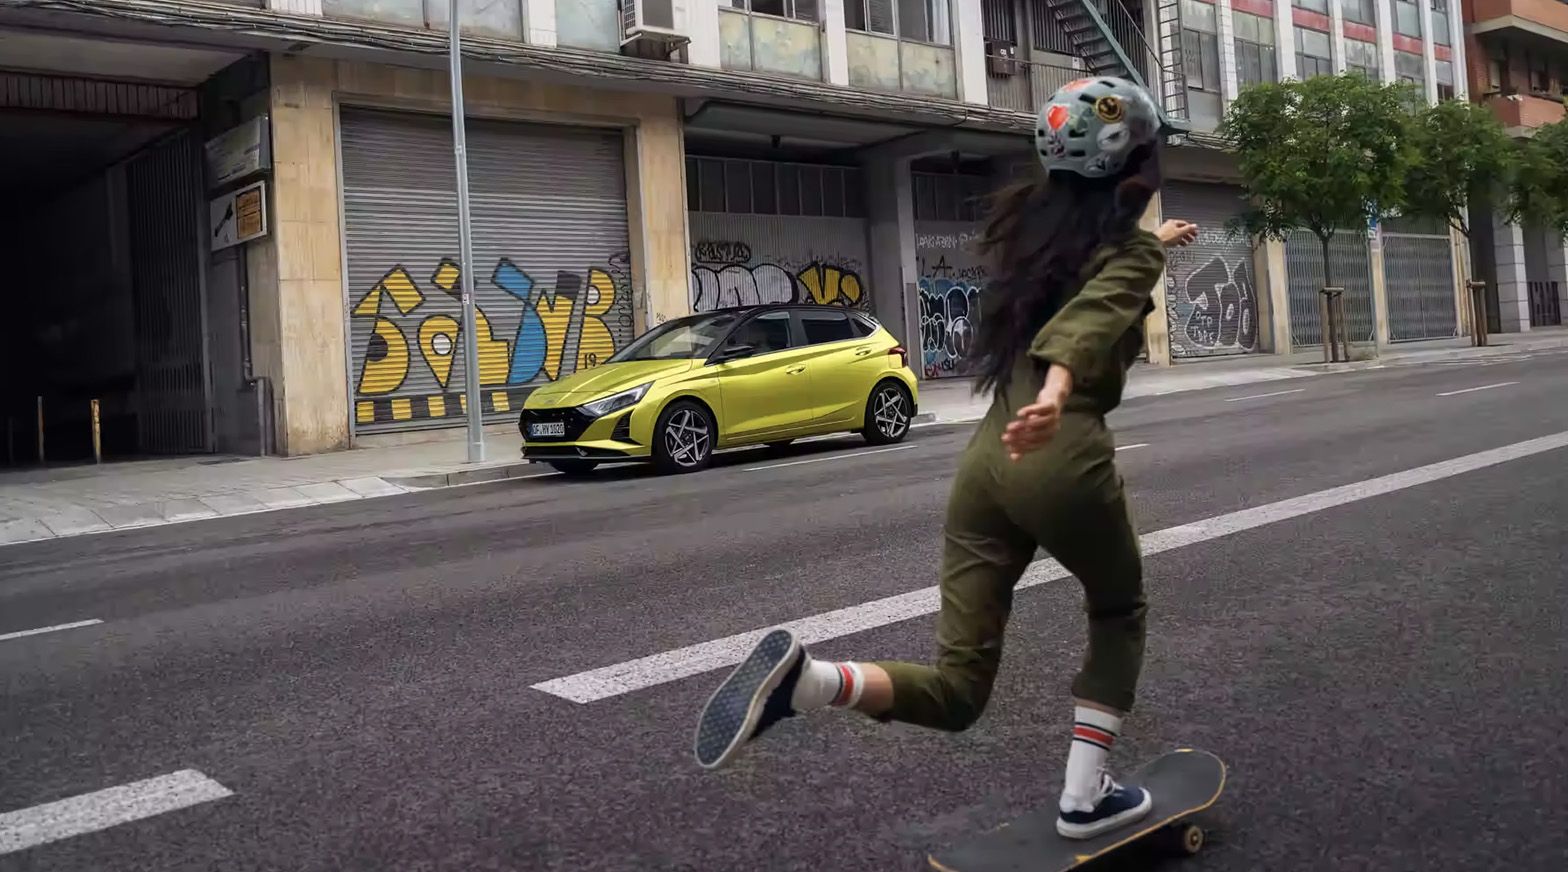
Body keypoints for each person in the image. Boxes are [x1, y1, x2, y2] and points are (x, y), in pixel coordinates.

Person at [691, 77, 1197, 841]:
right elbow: (1094, 318)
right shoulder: (1124, 254)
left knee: (961, 691)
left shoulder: (1037, 238)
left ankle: (812, 683)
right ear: (1136, 167)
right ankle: (1084, 796)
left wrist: (1153, 246)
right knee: (1118, 610)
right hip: (1058, 453)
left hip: (985, 468)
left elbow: (1097, 280)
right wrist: (1059, 387)